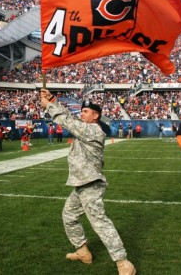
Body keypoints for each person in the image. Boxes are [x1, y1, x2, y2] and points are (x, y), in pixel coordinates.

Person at [40, 89, 136, 275]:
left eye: (86, 112)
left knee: (100, 223)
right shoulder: (85, 127)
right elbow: (70, 118)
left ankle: (123, 263)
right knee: (69, 216)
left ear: (95, 116)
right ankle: (83, 252)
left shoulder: (93, 130)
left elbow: (67, 121)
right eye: (82, 111)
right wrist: (52, 99)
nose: (82, 114)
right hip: (81, 185)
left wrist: (50, 106)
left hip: (90, 184)